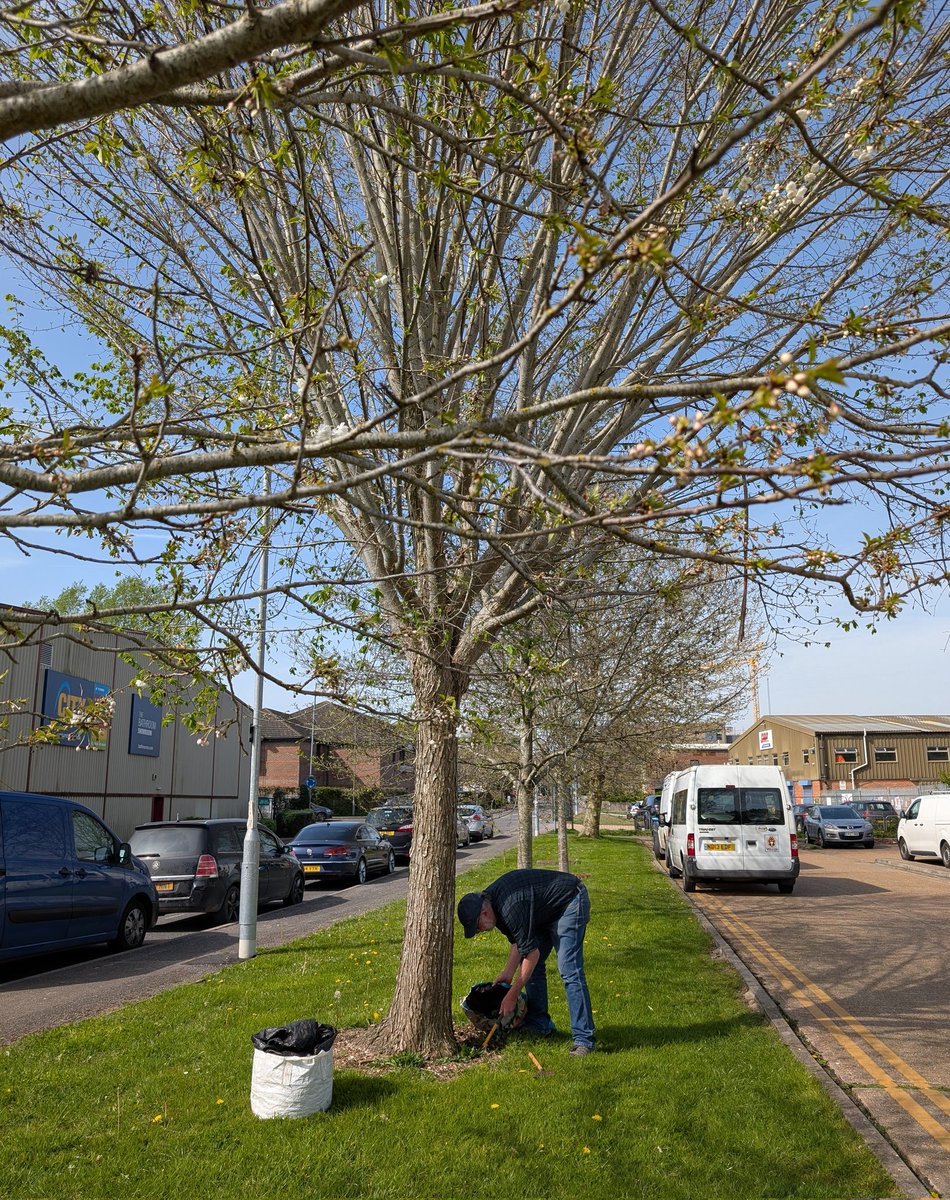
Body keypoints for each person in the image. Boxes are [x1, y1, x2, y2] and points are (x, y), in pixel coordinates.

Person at [457, 868, 595, 1056]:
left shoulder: (509, 907)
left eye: (477, 926)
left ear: (484, 912)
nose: (479, 931)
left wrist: (513, 994)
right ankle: (539, 1025)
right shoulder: (494, 905)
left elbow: (531, 953)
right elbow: (518, 943)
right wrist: (507, 973)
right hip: (544, 912)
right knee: (533, 969)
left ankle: (583, 1039)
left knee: (569, 970)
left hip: (569, 901)